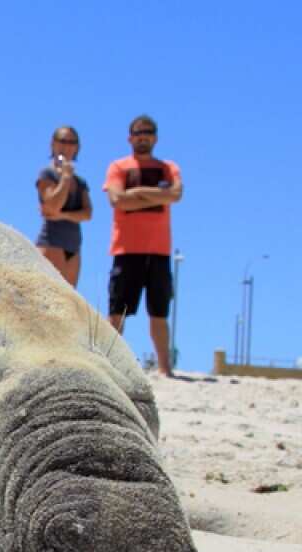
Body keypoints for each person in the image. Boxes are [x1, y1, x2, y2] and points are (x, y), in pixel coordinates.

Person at [103, 115, 183, 376]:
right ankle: (109, 364)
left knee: (159, 312)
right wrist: (156, 195)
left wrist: (136, 194)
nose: (143, 137)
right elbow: (117, 200)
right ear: (130, 138)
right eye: (138, 133)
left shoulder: (168, 167)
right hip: (126, 249)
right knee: (117, 312)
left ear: (156, 137)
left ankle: (164, 368)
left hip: (159, 250)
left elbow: (176, 194)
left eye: (148, 132)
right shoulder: (118, 166)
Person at [34, 126, 92, 286]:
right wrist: (65, 178)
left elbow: (87, 213)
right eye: (62, 141)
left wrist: (63, 215)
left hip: (74, 246)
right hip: (51, 242)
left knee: (69, 302)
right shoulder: (47, 174)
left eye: (72, 142)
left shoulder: (80, 182)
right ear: (53, 144)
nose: (67, 146)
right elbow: (52, 205)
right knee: (49, 297)